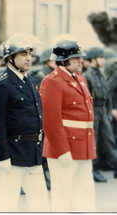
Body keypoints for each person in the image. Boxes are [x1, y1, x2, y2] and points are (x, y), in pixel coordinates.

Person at [0, 33, 49, 212]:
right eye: (23, 54)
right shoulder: (2, 84)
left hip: (33, 152)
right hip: (13, 153)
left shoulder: (29, 80)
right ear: (10, 58)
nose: (29, 58)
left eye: (30, 54)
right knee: (8, 204)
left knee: (41, 203)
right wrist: (3, 156)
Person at [40, 34, 96, 212]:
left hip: (84, 146)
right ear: (63, 61)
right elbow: (50, 120)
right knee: (62, 198)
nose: (81, 60)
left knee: (86, 194)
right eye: (75, 57)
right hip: (65, 148)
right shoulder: (52, 81)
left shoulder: (80, 78)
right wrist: (62, 150)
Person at [83, 47, 117, 182]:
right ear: (93, 59)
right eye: (101, 57)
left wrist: (110, 109)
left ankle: (115, 164)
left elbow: (107, 94)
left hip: (102, 109)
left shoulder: (101, 74)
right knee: (94, 140)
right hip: (93, 110)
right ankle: (94, 169)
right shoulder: (87, 76)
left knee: (109, 139)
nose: (103, 60)